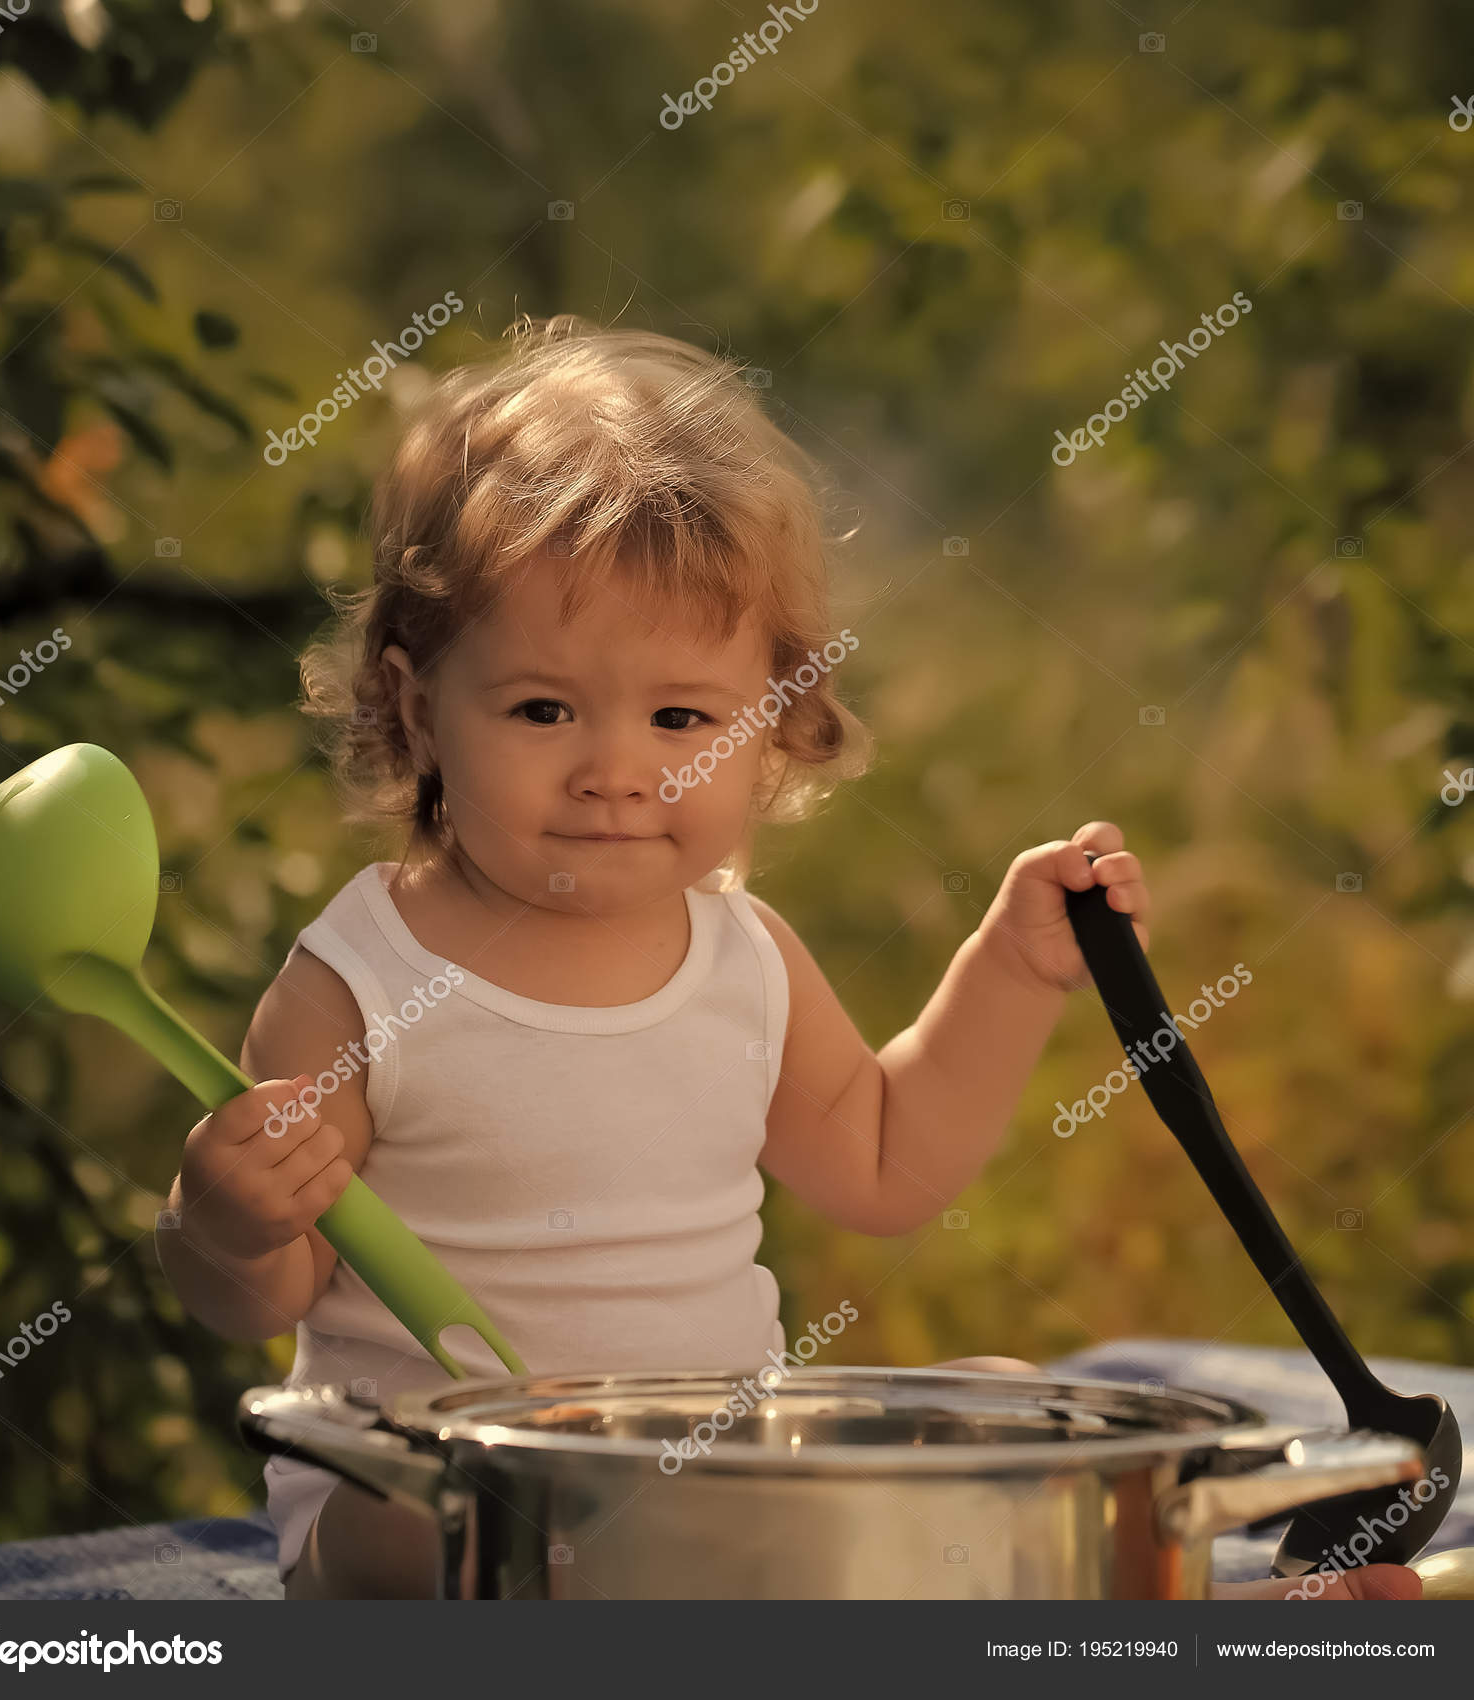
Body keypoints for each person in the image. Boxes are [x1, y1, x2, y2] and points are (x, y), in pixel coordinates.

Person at [155, 314, 1419, 1602]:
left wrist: (1014, 971)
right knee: (423, 1533)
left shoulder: (741, 961)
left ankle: (1244, 1609)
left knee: (1006, 1417)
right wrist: (225, 1222)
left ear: (774, 731)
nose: (616, 771)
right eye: (542, 709)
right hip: (458, 1507)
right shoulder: (359, 981)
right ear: (419, 707)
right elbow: (263, 1297)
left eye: (681, 718)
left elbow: (883, 1161)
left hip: (718, 1494)